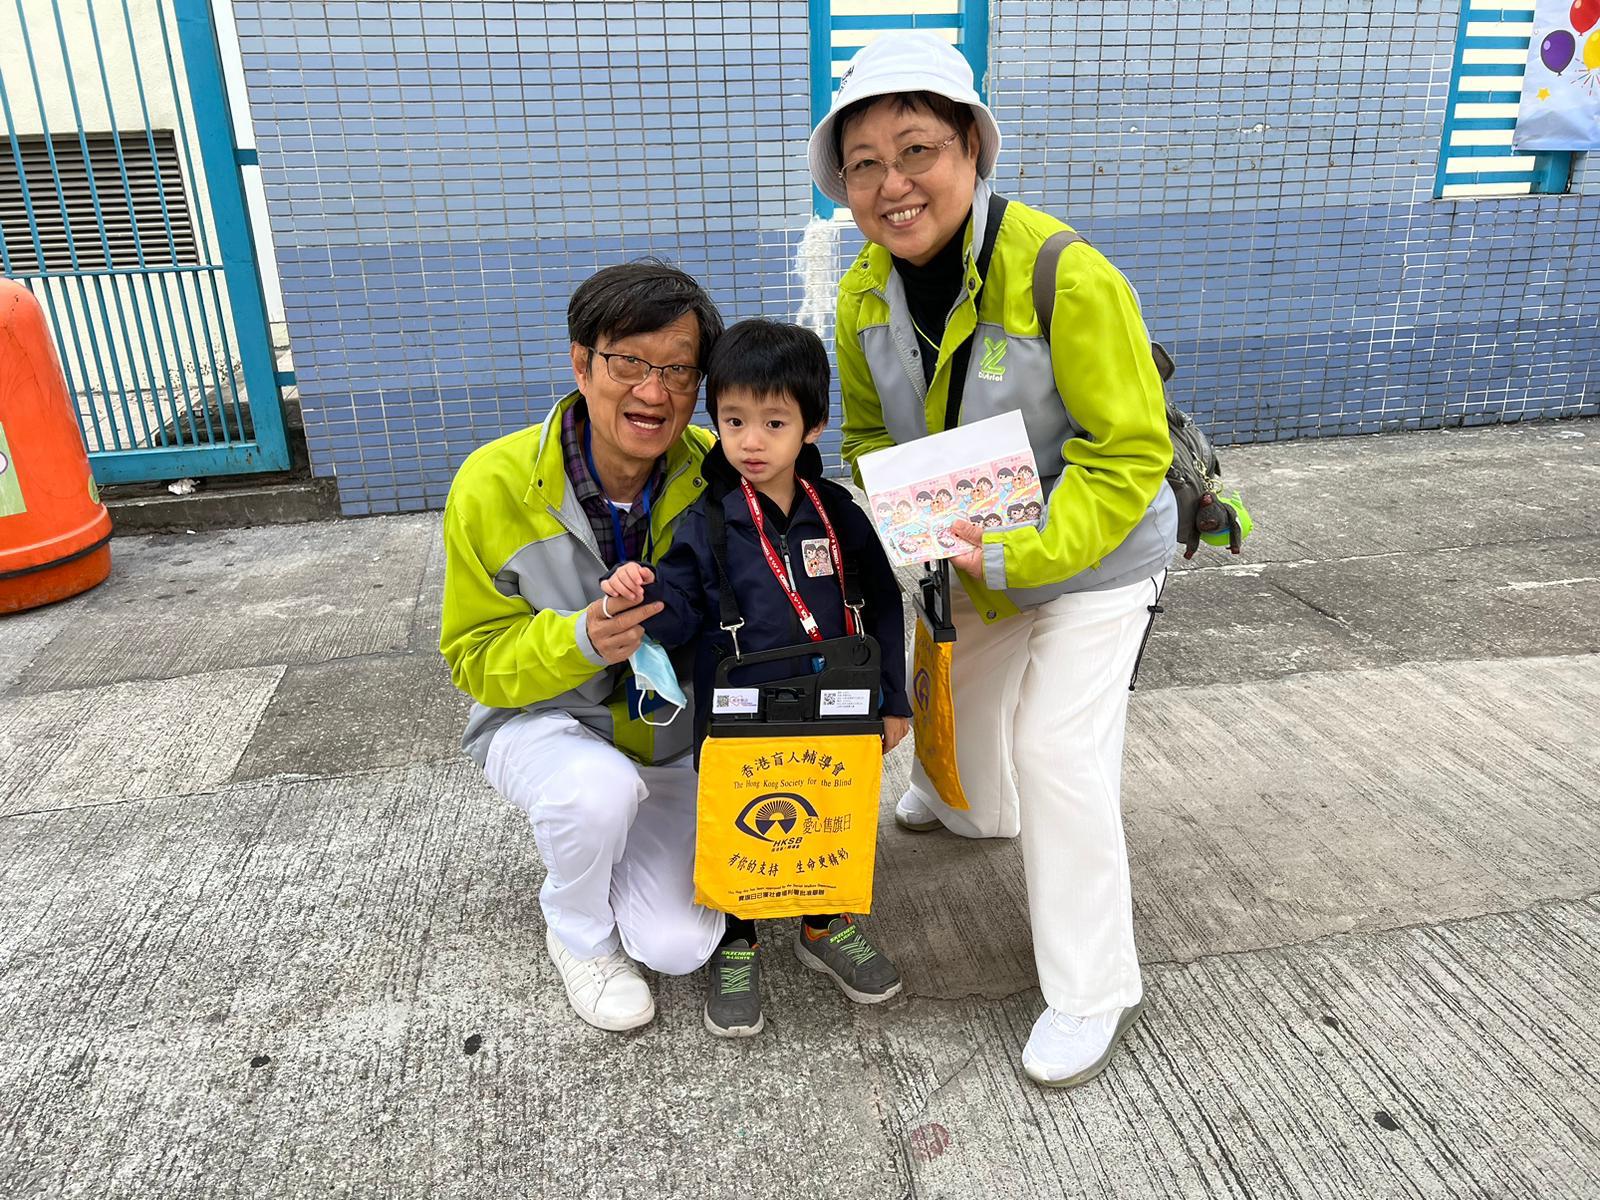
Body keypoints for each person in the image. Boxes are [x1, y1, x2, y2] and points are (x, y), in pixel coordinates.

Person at [810, 31, 1177, 1088]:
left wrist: (1023, 552)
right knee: (951, 714)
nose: (891, 184)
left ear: (971, 148)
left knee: (1059, 755)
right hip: (971, 550)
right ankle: (972, 803)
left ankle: (1090, 987)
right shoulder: (862, 295)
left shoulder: (1066, 270)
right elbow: (875, 438)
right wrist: (917, 526)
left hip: (1099, 559)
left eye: (915, 149)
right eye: (864, 163)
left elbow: (1129, 452)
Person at [600, 319, 912, 1038]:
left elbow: (885, 602)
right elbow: (675, 613)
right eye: (734, 420)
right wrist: (636, 595)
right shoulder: (707, 522)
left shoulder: (838, 514)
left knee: (831, 810)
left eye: (774, 422)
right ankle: (737, 938)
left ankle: (823, 923)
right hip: (738, 708)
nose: (750, 441)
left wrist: (893, 697)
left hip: (837, 700)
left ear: (813, 426)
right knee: (745, 821)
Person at [438, 260, 727, 1033]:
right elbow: (472, 655)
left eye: (677, 369)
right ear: (580, 361)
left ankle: (617, 849)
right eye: (628, 362)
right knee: (592, 795)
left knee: (679, 947)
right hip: (544, 723)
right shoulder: (491, 483)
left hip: (669, 738)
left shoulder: (718, 472)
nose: (653, 391)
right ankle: (576, 929)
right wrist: (579, 639)